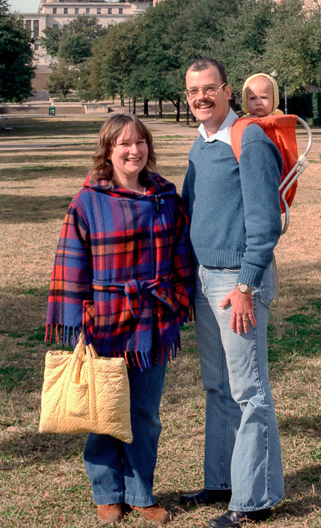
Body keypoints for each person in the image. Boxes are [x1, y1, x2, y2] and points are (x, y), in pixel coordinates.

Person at [46, 114, 193, 526]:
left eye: (140, 142)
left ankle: (141, 492)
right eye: (124, 144)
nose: (134, 150)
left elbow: (183, 253)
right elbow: (71, 264)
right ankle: (107, 492)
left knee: (144, 412)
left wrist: (177, 299)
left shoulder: (166, 195)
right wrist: (80, 319)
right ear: (108, 151)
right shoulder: (88, 200)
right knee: (104, 407)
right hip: (106, 321)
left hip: (153, 320)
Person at [180, 59, 284, 528]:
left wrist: (245, 284)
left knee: (249, 391)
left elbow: (265, 224)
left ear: (226, 91)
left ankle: (253, 498)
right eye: (192, 91)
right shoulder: (201, 145)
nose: (200, 97)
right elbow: (188, 214)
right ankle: (221, 482)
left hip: (237, 282)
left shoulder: (250, 138)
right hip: (205, 281)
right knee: (217, 387)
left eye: (208, 89)